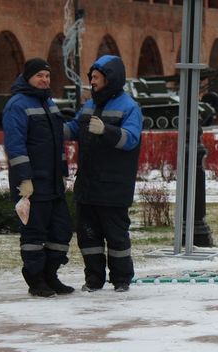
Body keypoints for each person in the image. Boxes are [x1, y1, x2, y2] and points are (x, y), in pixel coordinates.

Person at [64, 55, 142, 292]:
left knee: (116, 237)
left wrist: (106, 130)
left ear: (110, 79)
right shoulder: (89, 105)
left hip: (114, 186)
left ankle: (121, 280)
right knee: (88, 237)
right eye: (91, 78)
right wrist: (54, 129)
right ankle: (93, 279)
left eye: (96, 78)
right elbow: (75, 128)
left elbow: (131, 139)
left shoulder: (129, 107)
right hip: (87, 185)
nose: (92, 82)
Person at [3, 58, 74, 297]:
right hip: (31, 183)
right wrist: (24, 179)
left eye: (47, 76)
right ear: (28, 77)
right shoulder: (17, 105)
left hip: (53, 183)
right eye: (39, 76)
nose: (44, 80)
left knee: (61, 231)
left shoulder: (49, 103)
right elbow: (15, 145)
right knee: (34, 234)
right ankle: (36, 281)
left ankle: (50, 275)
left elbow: (58, 143)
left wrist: (63, 174)